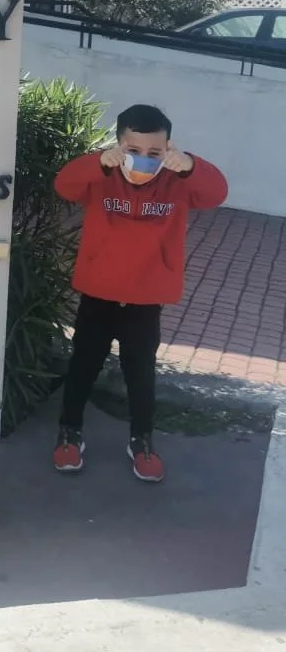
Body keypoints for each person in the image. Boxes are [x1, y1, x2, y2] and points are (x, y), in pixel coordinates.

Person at [52, 103, 228, 483]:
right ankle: (69, 432)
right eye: (133, 151)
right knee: (82, 366)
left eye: (155, 153)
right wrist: (100, 161)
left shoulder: (178, 182)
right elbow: (64, 185)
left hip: (146, 300)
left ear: (168, 149)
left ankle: (141, 440)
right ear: (119, 146)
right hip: (98, 294)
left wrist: (191, 165)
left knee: (141, 375)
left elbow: (217, 193)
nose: (143, 160)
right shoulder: (102, 175)